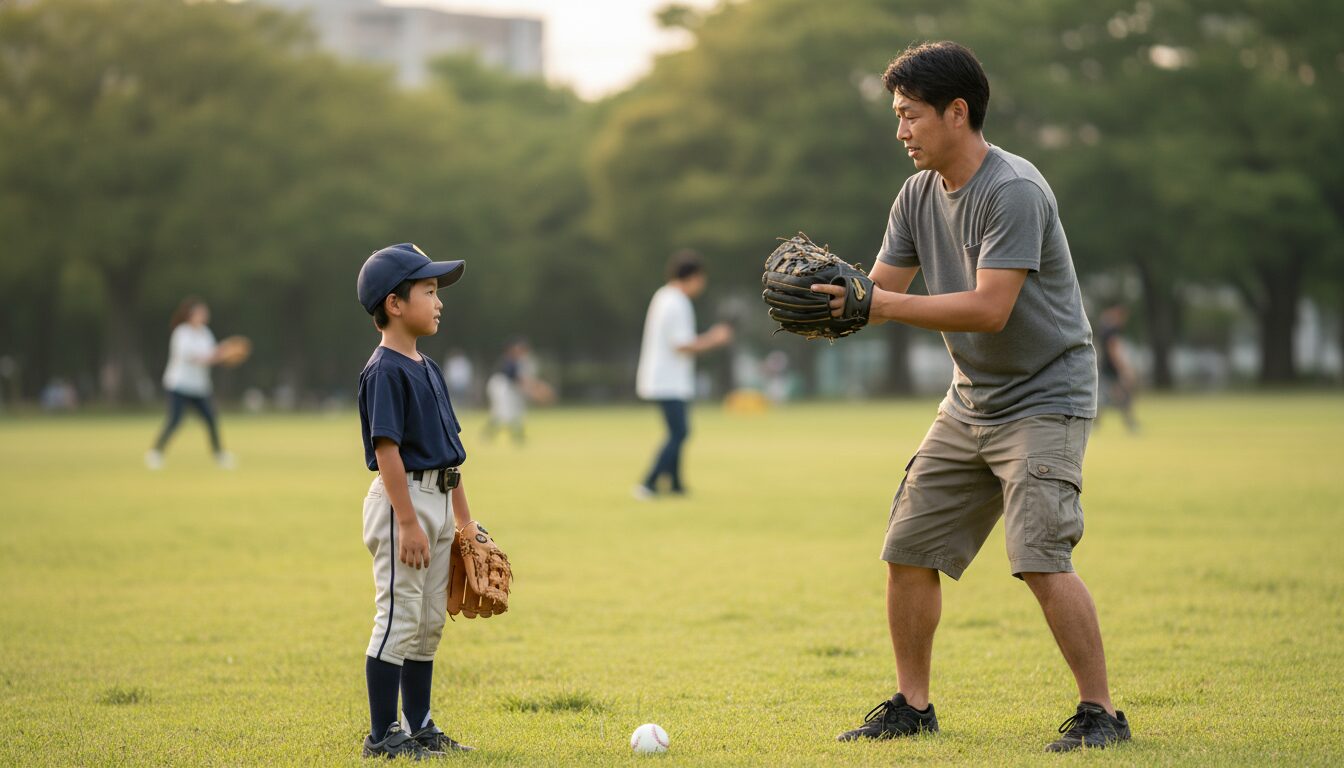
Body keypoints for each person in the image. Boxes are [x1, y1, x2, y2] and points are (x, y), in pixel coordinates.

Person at [814, 42, 1130, 752]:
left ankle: (1101, 714)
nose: (901, 131)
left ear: (957, 113)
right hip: (971, 398)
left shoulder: (1013, 189)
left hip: (1045, 395)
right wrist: (834, 303)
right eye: (897, 116)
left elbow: (991, 308)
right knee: (909, 546)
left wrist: (879, 308)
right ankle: (912, 705)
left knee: (1040, 556)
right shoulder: (916, 193)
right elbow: (881, 290)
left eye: (910, 116)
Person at [355, 243, 482, 758]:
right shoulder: (384, 369)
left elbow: (452, 451)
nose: (438, 301)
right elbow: (386, 448)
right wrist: (406, 521)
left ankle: (420, 724)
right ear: (394, 303)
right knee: (398, 619)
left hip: (440, 497)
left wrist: (466, 522)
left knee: (428, 622)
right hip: (400, 501)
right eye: (428, 291)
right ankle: (383, 735)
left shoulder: (426, 366)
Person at [633, 250, 733, 500]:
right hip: (668, 380)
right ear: (695, 277)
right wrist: (714, 338)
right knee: (680, 432)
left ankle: (676, 485)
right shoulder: (676, 302)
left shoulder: (664, 296)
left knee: (677, 431)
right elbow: (681, 344)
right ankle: (649, 483)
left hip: (666, 378)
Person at [146, 298, 233, 470]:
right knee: (175, 420)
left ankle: (219, 454)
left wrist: (222, 353)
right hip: (179, 385)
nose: (204, 316)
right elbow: (193, 357)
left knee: (211, 419)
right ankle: (156, 452)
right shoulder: (182, 333)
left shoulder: (206, 333)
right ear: (190, 315)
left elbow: (210, 354)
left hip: (200, 387)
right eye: (200, 312)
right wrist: (217, 355)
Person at [483, 338, 551, 445]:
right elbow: (518, 380)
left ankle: (517, 436)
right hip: (501, 387)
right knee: (503, 413)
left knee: (515, 411)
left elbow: (524, 380)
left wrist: (535, 389)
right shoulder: (510, 361)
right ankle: (489, 435)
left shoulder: (520, 361)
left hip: (510, 389)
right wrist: (535, 393)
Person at [1096, 304, 1140, 433]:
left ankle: (1097, 423)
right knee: (1121, 395)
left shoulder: (1105, 328)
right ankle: (1130, 423)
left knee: (1105, 397)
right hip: (1111, 369)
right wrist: (1123, 369)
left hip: (1105, 368)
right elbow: (1113, 351)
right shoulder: (1112, 331)